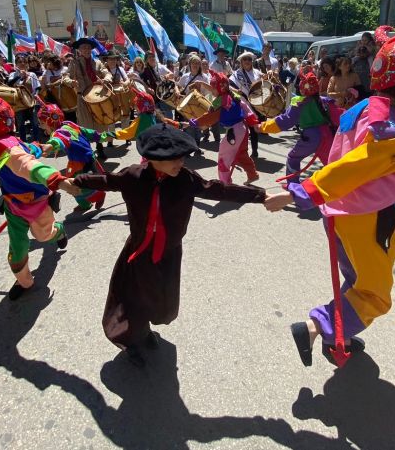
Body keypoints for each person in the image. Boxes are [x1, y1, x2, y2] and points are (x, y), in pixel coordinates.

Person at [263, 28, 395, 367]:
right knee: (374, 295)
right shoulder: (391, 119)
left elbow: (366, 166)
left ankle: (337, 337)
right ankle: (316, 327)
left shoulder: (367, 108)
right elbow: (356, 166)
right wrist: (299, 192)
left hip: (345, 214)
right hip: (366, 217)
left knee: (358, 282)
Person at [72, 124, 267, 367]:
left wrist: (260, 196)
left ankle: (144, 330)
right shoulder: (133, 176)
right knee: (133, 296)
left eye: (182, 157)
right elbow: (106, 180)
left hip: (169, 251)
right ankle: (131, 339)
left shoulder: (185, 179)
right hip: (139, 250)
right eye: (174, 159)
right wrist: (75, 181)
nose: (180, 163)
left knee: (160, 297)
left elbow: (218, 189)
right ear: (154, 159)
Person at [0, 91, 79, 300]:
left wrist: (57, 180)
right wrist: (35, 147)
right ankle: (24, 281)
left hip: (36, 203)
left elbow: (28, 165)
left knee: (43, 236)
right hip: (12, 205)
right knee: (17, 249)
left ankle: (58, 231)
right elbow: (28, 153)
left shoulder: (8, 148)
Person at [257, 68, 334, 184]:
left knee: (293, 158)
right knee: (332, 163)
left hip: (311, 137)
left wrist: (262, 127)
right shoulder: (325, 100)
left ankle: (293, 187)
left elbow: (284, 122)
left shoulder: (299, 104)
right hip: (328, 135)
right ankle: (343, 189)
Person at [188, 71, 259, 185]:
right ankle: (252, 174)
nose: (212, 91)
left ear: (220, 88)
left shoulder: (220, 101)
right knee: (241, 154)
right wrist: (254, 122)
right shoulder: (233, 96)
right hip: (243, 129)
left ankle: (225, 183)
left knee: (223, 158)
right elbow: (247, 110)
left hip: (234, 131)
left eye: (213, 88)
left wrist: (196, 122)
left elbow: (210, 117)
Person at [36, 100, 107, 212]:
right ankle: (85, 204)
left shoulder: (61, 132)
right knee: (73, 184)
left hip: (83, 162)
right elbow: (86, 132)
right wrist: (99, 136)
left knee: (79, 185)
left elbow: (59, 139)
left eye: (42, 123)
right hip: (78, 161)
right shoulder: (68, 124)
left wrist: (49, 147)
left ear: (50, 121)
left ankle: (99, 195)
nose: (40, 126)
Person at [68, 37, 111, 157]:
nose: (86, 49)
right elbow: (66, 76)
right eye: (83, 47)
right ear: (79, 50)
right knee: (84, 125)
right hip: (82, 97)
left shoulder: (97, 62)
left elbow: (106, 72)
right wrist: (71, 82)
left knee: (99, 123)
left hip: (97, 97)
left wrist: (106, 79)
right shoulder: (74, 63)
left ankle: (100, 147)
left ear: (91, 49)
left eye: (88, 47)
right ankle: (87, 150)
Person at [231, 52, 264, 158]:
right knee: (241, 129)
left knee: (254, 129)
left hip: (255, 104)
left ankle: (255, 150)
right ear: (241, 62)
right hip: (242, 103)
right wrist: (236, 90)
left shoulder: (258, 73)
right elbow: (228, 85)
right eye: (245, 59)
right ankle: (240, 150)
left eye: (249, 59)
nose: (247, 62)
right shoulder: (236, 74)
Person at [177, 54, 210, 154]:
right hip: (187, 105)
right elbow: (178, 85)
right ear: (189, 64)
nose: (195, 65)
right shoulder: (185, 76)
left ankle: (196, 147)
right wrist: (178, 92)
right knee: (189, 128)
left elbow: (208, 91)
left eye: (197, 63)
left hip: (199, 105)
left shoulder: (204, 77)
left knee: (197, 128)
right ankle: (189, 148)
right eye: (193, 63)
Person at [7, 55, 41, 142]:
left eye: (24, 62)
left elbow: (37, 87)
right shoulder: (12, 74)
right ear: (16, 64)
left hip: (32, 102)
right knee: (21, 123)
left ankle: (36, 141)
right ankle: (23, 142)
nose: (22, 64)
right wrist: (19, 76)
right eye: (20, 62)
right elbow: (9, 85)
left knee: (35, 122)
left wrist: (36, 95)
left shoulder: (32, 74)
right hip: (19, 103)